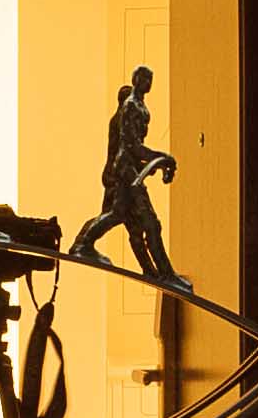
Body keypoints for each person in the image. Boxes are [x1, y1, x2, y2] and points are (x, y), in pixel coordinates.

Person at [69, 62, 184, 288]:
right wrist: (162, 158)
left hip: (128, 169)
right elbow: (131, 145)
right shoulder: (131, 106)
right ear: (136, 80)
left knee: (126, 219)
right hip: (126, 171)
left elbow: (134, 148)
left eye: (150, 79)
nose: (148, 83)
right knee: (147, 222)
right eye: (144, 79)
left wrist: (152, 162)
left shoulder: (140, 106)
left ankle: (155, 272)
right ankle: (165, 274)